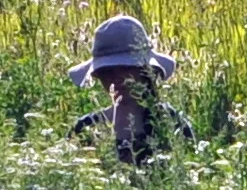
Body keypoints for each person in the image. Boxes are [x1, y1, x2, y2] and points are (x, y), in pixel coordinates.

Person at [68, 15, 192, 165]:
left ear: (145, 70)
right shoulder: (86, 128)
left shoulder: (171, 122)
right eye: (107, 72)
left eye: (126, 69)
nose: (116, 78)